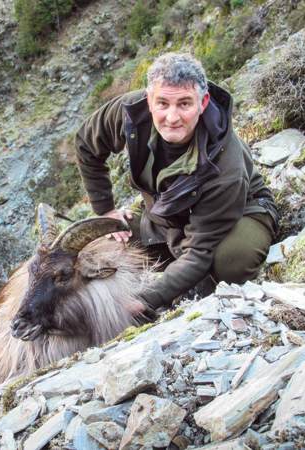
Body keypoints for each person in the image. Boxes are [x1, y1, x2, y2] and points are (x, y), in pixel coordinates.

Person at [75, 52, 278, 312]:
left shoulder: (226, 165)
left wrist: (146, 300)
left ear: (203, 102)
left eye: (184, 104)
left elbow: (199, 252)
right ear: (149, 100)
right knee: (102, 244)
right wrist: (105, 210)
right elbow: (86, 144)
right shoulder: (130, 112)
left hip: (240, 211)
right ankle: (173, 262)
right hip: (166, 215)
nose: (172, 117)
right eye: (162, 104)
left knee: (229, 262)